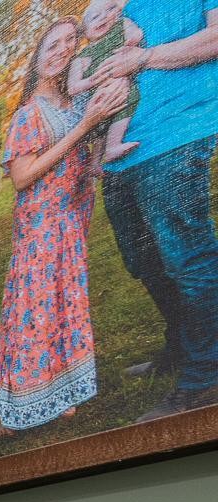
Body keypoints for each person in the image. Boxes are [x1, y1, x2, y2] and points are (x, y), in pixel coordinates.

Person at [0, 24, 131, 440]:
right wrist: (85, 126)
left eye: (68, 44)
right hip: (40, 227)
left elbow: (82, 158)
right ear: (37, 54)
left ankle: (57, 395)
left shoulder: (71, 101)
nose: (62, 51)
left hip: (70, 222)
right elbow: (22, 176)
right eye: (53, 44)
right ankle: (8, 413)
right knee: (32, 314)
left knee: (62, 309)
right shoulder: (29, 112)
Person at [91, 0, 218, 418]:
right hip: (124, 151)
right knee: (142, 261)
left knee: (188, 256)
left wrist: (143, 58)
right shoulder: (116, 7)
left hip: (177, 131)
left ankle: (207, 374)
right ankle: (184, 347)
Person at [70, 0, 146, 162]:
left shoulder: (120, 28)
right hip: (98, 97)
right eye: (95, 17)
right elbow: (72, 87)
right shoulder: (82, 57)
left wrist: (131, 42)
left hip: (124, 91)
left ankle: (112, 147)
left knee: (129, 101)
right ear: (85, 32)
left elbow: (137, 33)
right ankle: (95, 162)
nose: (103, 18)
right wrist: (90, 81)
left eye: (107, 12)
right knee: (101, 128)